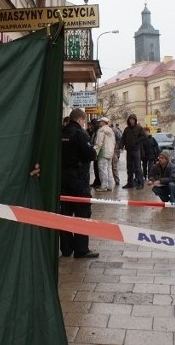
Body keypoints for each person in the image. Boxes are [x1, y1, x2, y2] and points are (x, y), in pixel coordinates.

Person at [59, 108, 99, 259]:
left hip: (63, 179)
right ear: (81, 120)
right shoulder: (80, 134)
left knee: (65, 213)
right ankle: (81, 249)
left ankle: (66, 248)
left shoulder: (61, 132)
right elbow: (91, 154)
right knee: (82, 212)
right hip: (78, 179)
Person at [119, 113, 146, 189]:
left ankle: (140, 183)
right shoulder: (126, 129)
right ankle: (130, 183)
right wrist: (121, 146)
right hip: (129, 151)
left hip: (136, 150)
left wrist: (136, 141)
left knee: (137, 167)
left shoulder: (139, 128)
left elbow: (144, 136)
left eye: (133, 119)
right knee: (129, 167)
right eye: (130, 119)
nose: (131, 121)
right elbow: (123, 138)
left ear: (135, 120)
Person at [93, 117, 115, 192]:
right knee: (109, 169)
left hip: (103, 152)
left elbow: (99, 143)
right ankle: (110, 186)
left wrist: (95, 152)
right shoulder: (111, 130)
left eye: (100, 121)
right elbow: (114, 142)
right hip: (110, 153)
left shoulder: (101, 130)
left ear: (103, 122)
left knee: (102, 169)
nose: (99, 123)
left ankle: (103, 186)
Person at [87, 118, 101, 188]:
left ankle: (99, 182)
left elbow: (98, 142)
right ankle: (97, 181)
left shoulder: (99, 132)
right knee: (95, 167)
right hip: (95, 152)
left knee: (98, 168)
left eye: (92, 125)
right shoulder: (95, 132)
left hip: (98, 152)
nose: (91, 126)